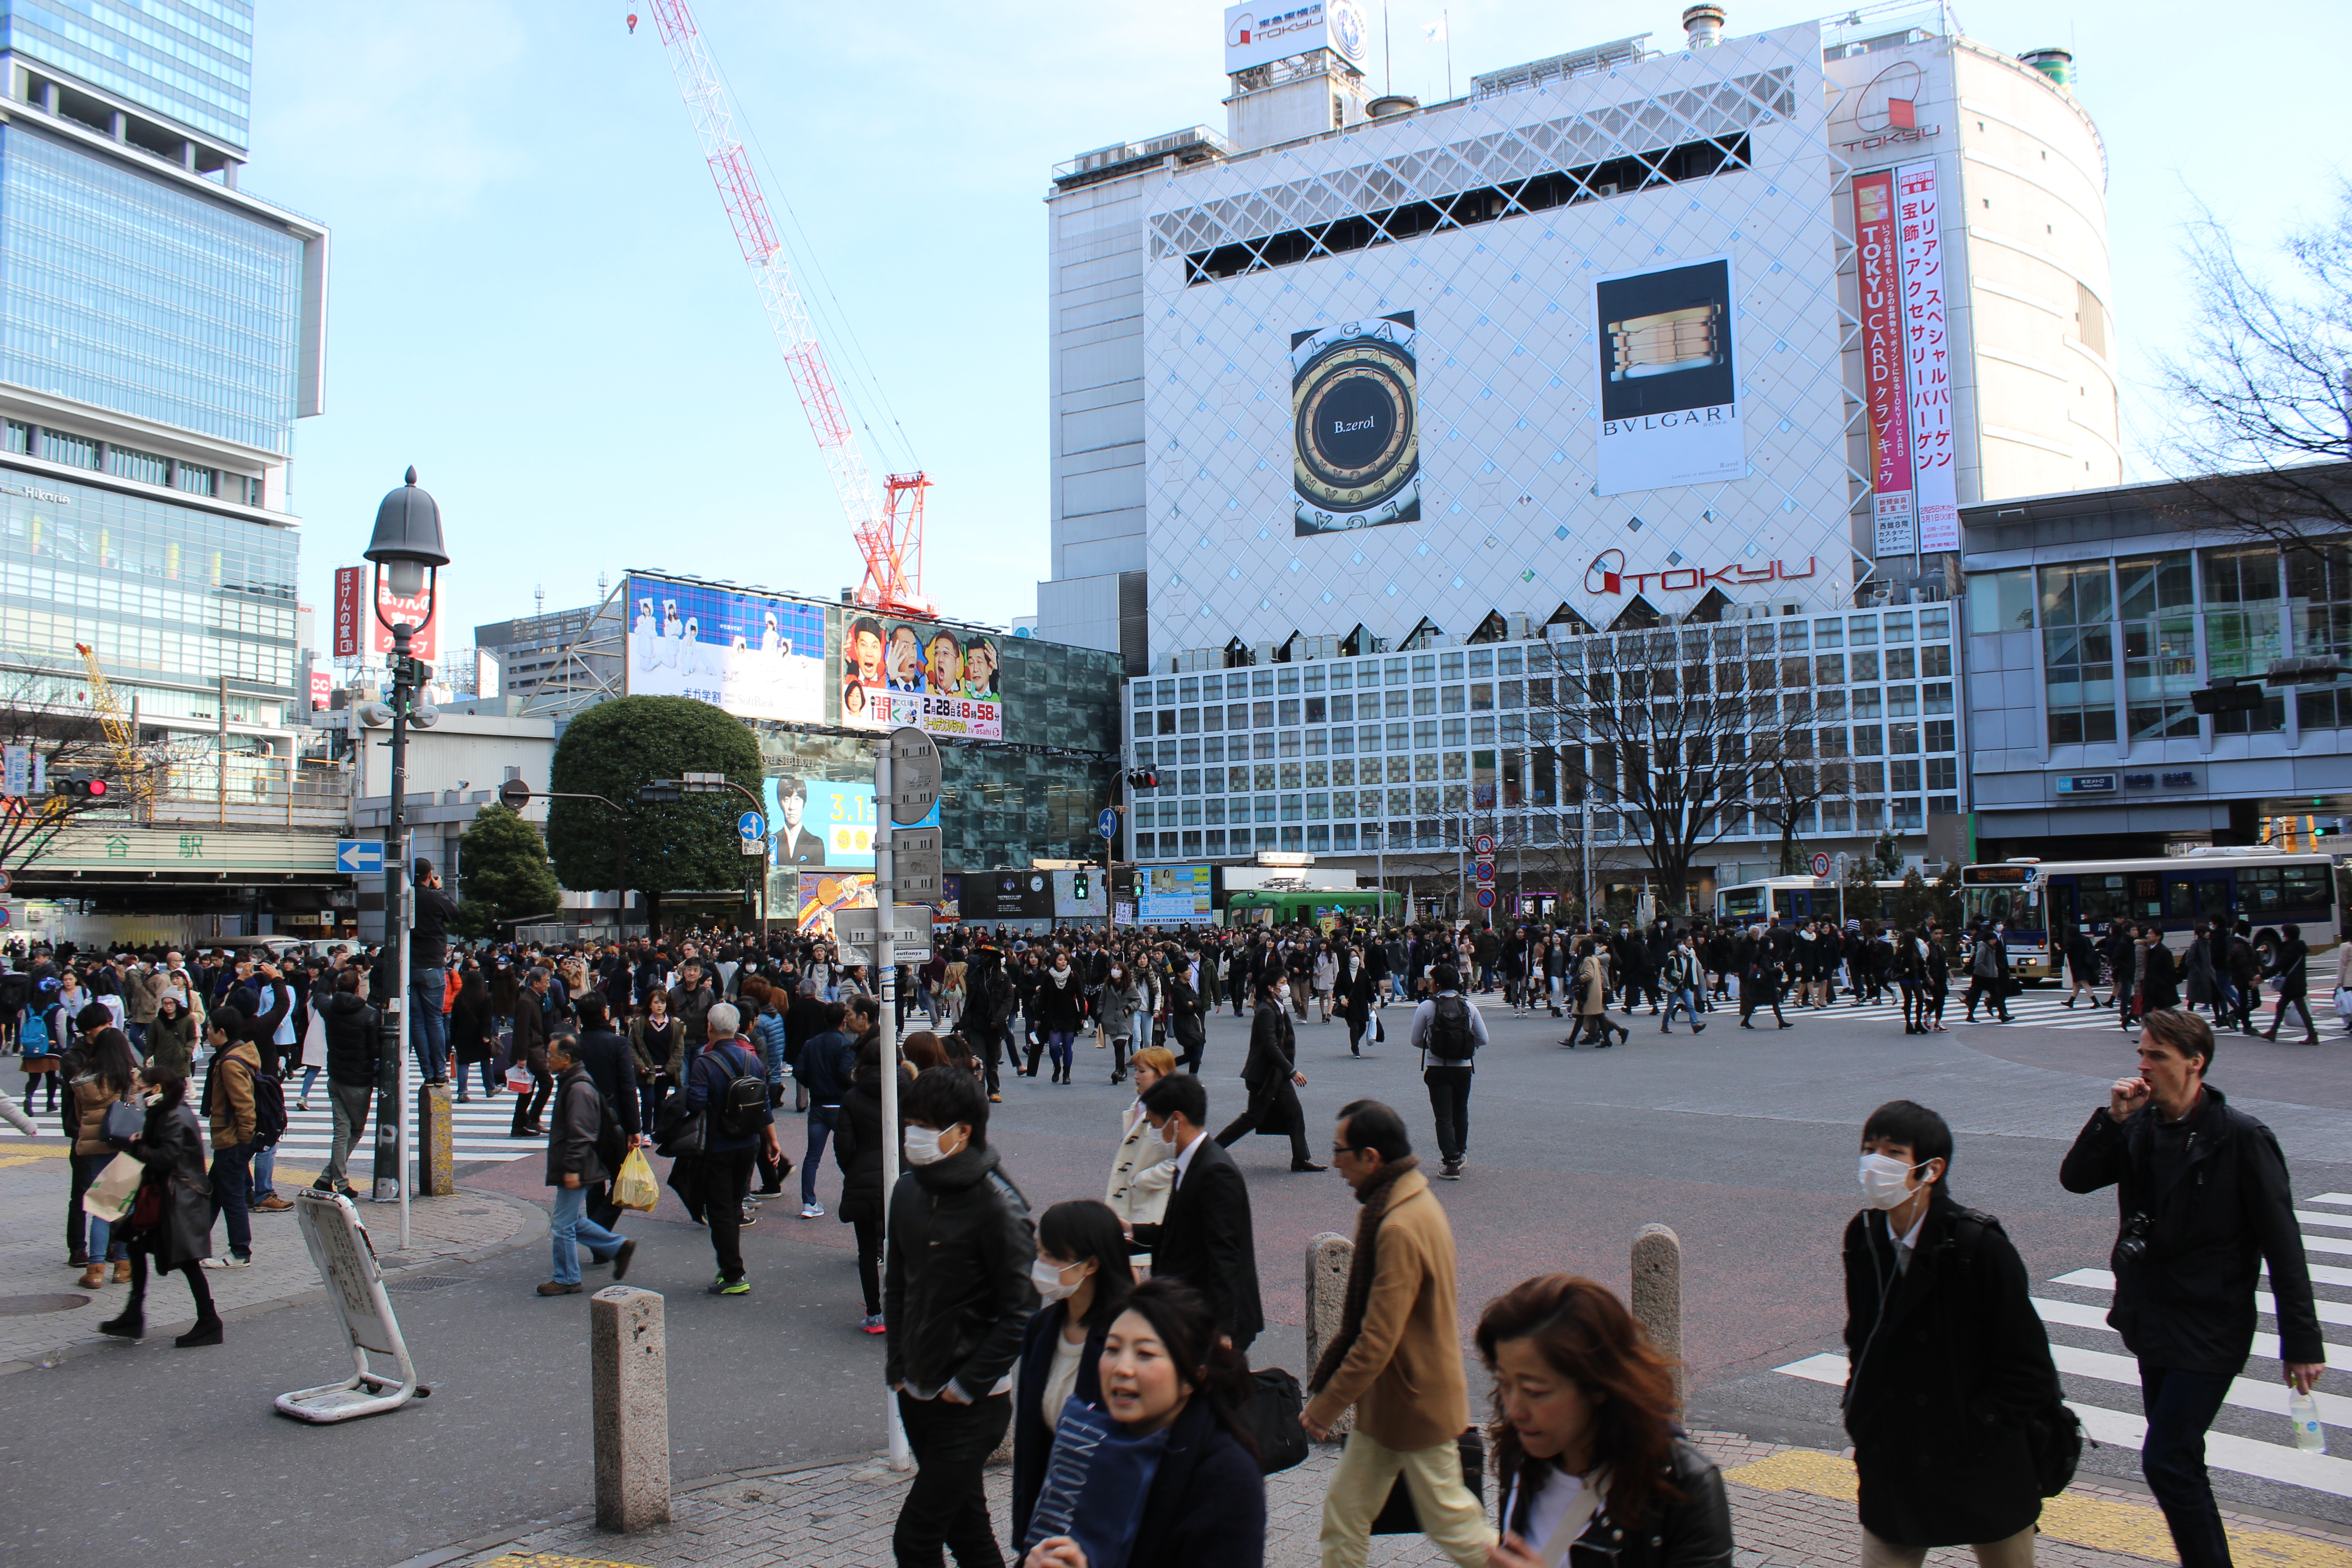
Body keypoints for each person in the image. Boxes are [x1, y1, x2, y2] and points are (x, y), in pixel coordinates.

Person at [2059, 1008, 2324, 1568]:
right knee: (2181, 1458)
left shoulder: (2243, 1139)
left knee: (2167, 1460)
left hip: (2211, 1324)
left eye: (2157, 1055)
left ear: (2194, 1063)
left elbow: (2284, 1244)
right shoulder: (2139, 1125)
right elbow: (2077, 1179)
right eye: (2142, 1052)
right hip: (2152, 1317)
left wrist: (2302, 1342)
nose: (2143, 1065)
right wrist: (2111, 1119)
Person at [1842, 1100, 2063, 1568]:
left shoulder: (1978, 1247)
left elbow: (2031, 1371)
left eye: (1892, 1153)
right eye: (1869, 1150)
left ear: (1931, 1169)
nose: (1874, 1164)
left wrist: (1974, 1429)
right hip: (1896, 1456)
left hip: (1982, 1460)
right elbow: (1861, 1338)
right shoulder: (1863, 1237)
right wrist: (1862, 1414)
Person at [1303, 1101, 1494, 1568]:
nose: (1334, 1162)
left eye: (1340, 1151)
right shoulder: (1407, 1202)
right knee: (1345, 1515)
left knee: (1457, 1529)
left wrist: (1325, 1405)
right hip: (1396, 1405)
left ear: (1371, 1157)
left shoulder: (1399, 1225)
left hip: (1413, 1407)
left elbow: (1376, 1339)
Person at [885, 1064, 1039, 1568]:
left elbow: (1020, 1308)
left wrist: (969, 1382)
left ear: (964, 1132)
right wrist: (898, 1366)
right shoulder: (908, 1190)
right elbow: (899, 1284)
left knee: (916, 1537)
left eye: (927, 1127)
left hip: (972, 1403)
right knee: (969, 1535)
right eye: (913, 1123)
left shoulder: (998, 1204)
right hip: (918, 1387)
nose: (915, 1135)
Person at [1475, 1274, 1733, 1568]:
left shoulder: (1686, 1486)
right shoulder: (1521, 1452)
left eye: (1535, 1391)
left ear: (1599, 1386)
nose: (1514, 1410)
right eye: (1504, 1385)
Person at [1019, 1279, 1267, 1568]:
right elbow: (1042, 1539)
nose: (1122, 1368)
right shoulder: (1084, 1438)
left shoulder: (1227, 1476)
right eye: (1112, 1349)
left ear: (1192, 1377)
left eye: (1145, 1354)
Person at [1010, 1200, 1137, 1546]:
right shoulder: (1041, 1329)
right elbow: (1030, 1441)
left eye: (1053, 1257)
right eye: (1040, 1253)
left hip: (1108, 1526)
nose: (1041, 1266)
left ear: (1092, 1264)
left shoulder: (1129, 1336)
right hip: (1050, 1521)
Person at [1128, 1073, 1264, 1352]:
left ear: (1176, 1120)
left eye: (1154, 1123)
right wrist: (1131, 1231)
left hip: (1211, 1321)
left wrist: (1223, 1329)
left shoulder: (1215, 1172)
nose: (1153, 1133)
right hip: (1191, 1312)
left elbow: (1225, 1254)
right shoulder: (1190, 1162)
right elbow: (1182, 1231)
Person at [96, 1069, 224, 1348]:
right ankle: (134, 1314)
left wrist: (137, 1145)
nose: (137, 1093)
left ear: (156, 1088)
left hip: (178, 1200)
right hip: (169, 1198)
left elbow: (166, 1157)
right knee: (135, 1244)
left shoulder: (173, 1115)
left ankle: (209, 1321)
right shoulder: (170, 1111)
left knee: (187, 1261)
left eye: (140, 1088)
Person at [680, 1002, 780, 1296]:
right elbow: (764, 1102)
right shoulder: (753, 1060)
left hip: (718, 1143)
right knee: (734, 1204)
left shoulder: (705, 1062)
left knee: (721, 1209)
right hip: (749, 1142)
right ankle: (729, 1267)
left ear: (709, 1027)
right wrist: (771, 1137)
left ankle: (733, 1273)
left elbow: (696, 1103)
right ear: (737, 1028)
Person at [538, 1031, 638, 1296]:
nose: (547, 1060)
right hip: (578, 1164)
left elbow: (582, 1133)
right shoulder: (574, 1082)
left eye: (551, 1055)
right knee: (571, 1220)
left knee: (562, 1225)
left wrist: (572, 1168)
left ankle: (568, 1278)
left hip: (577, 1166)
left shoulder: (579, 1088)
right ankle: (617, 1246)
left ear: (567, 1059)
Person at [1215, 974, 1323, 1172]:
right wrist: (1291, 1071)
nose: (1286, 986)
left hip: (1277, 1074)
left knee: (1295, 1113)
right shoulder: (1266, 1010)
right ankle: (1211, 1150)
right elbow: (1270, 1045)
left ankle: (1300, 1159)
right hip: (1265, 1075)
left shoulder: (1278, 1007)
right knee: (1253, 1118)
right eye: (1282, 983)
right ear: (1271, 988)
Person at [69, 1023, 142, 1289]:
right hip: (126, 1146)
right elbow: (142, 1111)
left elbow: (80, 1116)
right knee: (127, 1205)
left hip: (97, 1146)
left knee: (101, 1207)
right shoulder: (130, 1077)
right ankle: (123, 1266)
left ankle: (96, 1269)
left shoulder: (84, 1080)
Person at [1406, 963, 1486, 1181]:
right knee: (1460, 1111)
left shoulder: (1426, 1007)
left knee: (1443, 1116)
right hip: (1463, 1067)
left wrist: (1434, 1046)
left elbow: (1415, 1040)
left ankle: (1450, 1163)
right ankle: (1460, 1155)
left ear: (1437, 984)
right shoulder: (1469, 1006)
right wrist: (1465, 1046)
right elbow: (1483, 1039)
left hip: (1437, 1067)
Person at [834, 1033, 892, 1332]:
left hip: (864, 1178)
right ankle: (906, 1308)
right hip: (903, 1178)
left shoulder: (853, 1097)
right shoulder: (909, 1092)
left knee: (868, 1250)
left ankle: (875, 1313)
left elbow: (843, 1145)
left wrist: (854, 1169)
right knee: (905, 1244)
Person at [197, 1007, 259, 1269]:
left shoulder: (230, 1063)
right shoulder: (237, 1053)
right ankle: (194, 1244)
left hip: (233, 1140)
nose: (206, 1034)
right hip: (230, 1140)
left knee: (231, 1196)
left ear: (221, 1032)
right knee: (213, 1193)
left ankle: (240, 1252)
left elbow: (244, 1106)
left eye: (209, 1029)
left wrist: (243, 1139)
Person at [314, 969, 378, 1199]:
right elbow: (375, 1050)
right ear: (357, 987)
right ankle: (338, 1182)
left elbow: (319, 992)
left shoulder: (329, 1008)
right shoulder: (370, 1014)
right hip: (358, 1080)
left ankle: (328, 1179)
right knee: (355, 1129)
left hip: (336, 1076)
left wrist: (332, 968)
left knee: (341, 1130)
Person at [1104, 1046, 1177, 1240]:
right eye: (1136, 1070)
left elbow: (1178, 1159)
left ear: (1161, 1075)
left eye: (1142, 1071)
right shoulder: (1140, 1103)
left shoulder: (1169, 1110)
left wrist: (1142, 1179)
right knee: (1128, 1251)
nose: (1136, 1076)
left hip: (1153, 1195)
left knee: (1143, 1249)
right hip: (1132, 1191)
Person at [797, 999, 856, 1219]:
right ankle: (853, 1195)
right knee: (851, 1154)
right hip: (840, 1105)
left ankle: (808, 1202)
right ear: (844, 1021)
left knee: (812, 1156)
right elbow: (846, 1073)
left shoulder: (811, 1044)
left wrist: (814, 1083)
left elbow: (799, 1071)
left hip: (819, 1105)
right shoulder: (845, 1045)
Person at [410, 859, 461, 1083]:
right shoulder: (434, 896)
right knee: (435, 1020)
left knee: (417, 1021)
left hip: (409, 966)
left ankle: (428, 1073)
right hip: (433, 964)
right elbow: (454, 913)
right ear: (430, 875)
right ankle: (440, 1072)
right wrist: (439, 889)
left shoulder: (406, 896)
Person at [510, 966, 558, 1137]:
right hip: (531, 1050)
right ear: (536, 983)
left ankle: (519, 1125)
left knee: (527, 1089)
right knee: (547, 1082)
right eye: (546, 982)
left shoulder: (536, 998)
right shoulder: (526, 1001)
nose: (548, 986)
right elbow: (521, 1031)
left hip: (535, 1048)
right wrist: (521, 1057)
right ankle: (534, 1118)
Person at [2261, 922, 2319, 1044]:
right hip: (2296, 984)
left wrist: (2262, 976)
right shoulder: (2298, 947)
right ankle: (2274, 1032)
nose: (2282, 935)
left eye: (2283, 932)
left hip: (2292, 985)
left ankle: (2312, 1035)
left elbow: (2279, 966)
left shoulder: (2290, 948)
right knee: (2284, 1006)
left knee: (2298, 1008)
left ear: (2287, 934)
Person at [1032, 951, 1083, 1085]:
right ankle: (1057, 1067)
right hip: (1052, 1016)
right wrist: (1038, 1017)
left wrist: (1083, 1016)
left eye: (1065, 960)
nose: (1063, 962)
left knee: (1067, 1046)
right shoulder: (1048, 977)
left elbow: (1080, 996)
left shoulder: (1073, 976)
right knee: (1054, 1046)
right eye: (1060, 960)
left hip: (1070, 1016)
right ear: (1055, 962)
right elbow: (1042, 999)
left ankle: (1067, 1074)